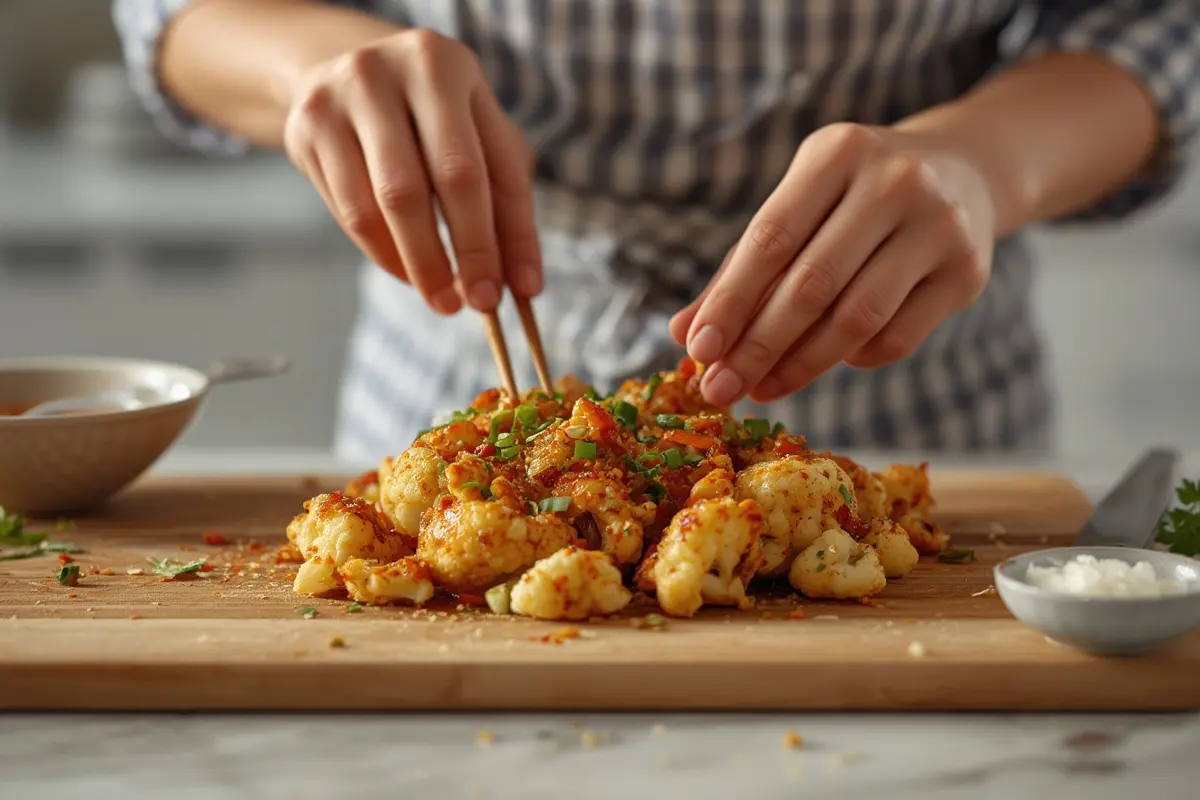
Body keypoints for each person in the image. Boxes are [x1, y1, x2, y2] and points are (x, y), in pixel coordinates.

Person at [113, 1, 1198, 464]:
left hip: (924, 412)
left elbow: (1155, 23)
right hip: (443, 383)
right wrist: (308, 64)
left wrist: (986, 161)